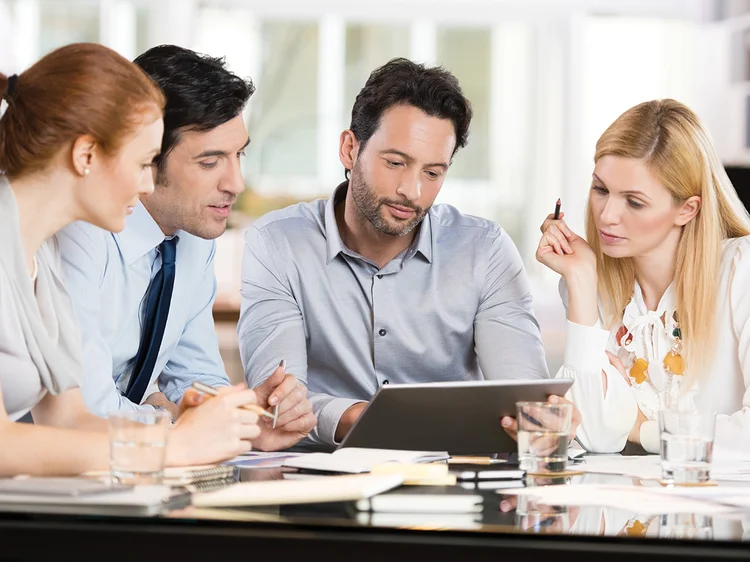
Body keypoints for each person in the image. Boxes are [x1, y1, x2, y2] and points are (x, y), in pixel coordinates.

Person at [239, 57, 552, 450]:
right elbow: (279, 406)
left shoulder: (484, 250)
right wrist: (357, 419)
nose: (412, 190)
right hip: (317, 481)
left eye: (433, 173)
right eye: (395, 163)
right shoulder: (277, 243)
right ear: (350, 149)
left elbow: (523, 404)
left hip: (448, 486)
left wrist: (538, 421)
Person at [0, 43, 261, 476]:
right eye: (142, 163)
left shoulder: (41, 258)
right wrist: (170, 444)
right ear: (85, 156)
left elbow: (70, 417)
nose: (146, 186)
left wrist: (201, 429)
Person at [56, 45, 316, 452]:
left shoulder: (193, 235)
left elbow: (197, 378)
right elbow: (84, 412)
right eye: (210, 162)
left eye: (239, 154)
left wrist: (245, 418)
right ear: (146, 155)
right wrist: (172, 419)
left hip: (131, 468)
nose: (236, 184)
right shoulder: (79, 231)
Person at [537, 98, 750, 454]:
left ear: (687, 209)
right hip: (626, 505)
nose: (606, 216)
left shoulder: (741, 270)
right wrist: (582, 280)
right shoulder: (591, 286)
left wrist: (645, 431)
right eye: (601, 190)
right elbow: (596, 434)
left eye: (634, 202)